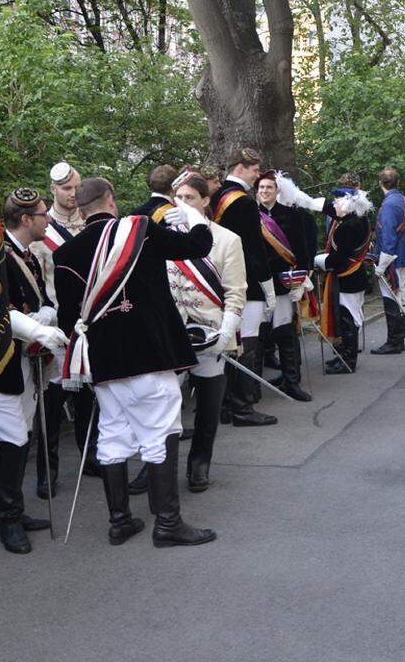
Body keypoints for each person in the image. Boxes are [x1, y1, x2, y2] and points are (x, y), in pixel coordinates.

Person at [54, 177, 217, 547]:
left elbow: (68, 320)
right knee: (162, 431)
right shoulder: (139, 230)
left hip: (104, 361)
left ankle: (120, 521)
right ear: (111, 200)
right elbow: (198, 245)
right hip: (150, 353)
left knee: (111, 435)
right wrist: (193, 214)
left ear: (79, 209)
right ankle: (168, 524)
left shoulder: (66, 254)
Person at [0, 189, 69, 554]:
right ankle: (9, 520)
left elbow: (42, 303)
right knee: (12, 442)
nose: (49, 220)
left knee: (19, 439)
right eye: (44, 215)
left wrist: (44, 317)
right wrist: (37, 326)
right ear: (27, 220)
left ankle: (2, 511)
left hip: (26, 362)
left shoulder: (28, 255)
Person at [165, 174, 247, 488]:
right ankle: (157, 465)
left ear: (205, 201)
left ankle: (199, 463)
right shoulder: (163, 237)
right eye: (179, 198)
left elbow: (235, 292)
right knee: (165, 406)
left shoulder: (227, 239)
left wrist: (226, 333)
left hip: (209, 336)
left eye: (190, 198)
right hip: (171, 334)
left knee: (208, 408)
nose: (183, 204)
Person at [30, 160, 99, 498]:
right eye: (66, 189)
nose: (73, 194)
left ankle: (92, 456)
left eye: (76, 187)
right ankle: (48, 471)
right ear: (53, 190)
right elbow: (36, 282)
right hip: (58, 327)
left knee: (90, 396)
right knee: (53, 404)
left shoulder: (93, 221)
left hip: (92, 321)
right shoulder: (43, 231)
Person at [211, 148, 277, 426]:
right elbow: (254, 249)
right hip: (245, 285)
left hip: (218, 281)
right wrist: (268, 286)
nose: (256, 176)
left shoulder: (214, 196)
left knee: (227, 345)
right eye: (253, 170)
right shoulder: (245, 203)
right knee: (246, 345)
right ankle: (243, 408)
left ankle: (225, 406)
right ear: (240, 168)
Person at [257, 170, 314, 401]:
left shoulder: (293, 215)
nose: (264, 192)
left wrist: (301, 279)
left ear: (277, 190)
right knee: (259, 337)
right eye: (260, 188)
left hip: (285, 283)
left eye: (269, 188)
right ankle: (252, 388)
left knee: (286, 332)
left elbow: (303, 249)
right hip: (259, 284)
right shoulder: (252, 215)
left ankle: (292, 382)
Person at [314, 188, 374, 374]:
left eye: (337, 201)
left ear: (348, 204)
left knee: (347, 318)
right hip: (353, 278)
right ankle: (342, 355)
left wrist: (318, 261)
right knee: (344, 316)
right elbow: (329, 209)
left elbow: (339, 258)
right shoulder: (356, 219)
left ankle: (348, 361)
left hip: (348, 278)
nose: (334, 205)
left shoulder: (349, 226)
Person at [370, 166, 405, 355]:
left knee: (392, 298)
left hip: (391, 260)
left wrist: (381, 265)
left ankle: (394, 342)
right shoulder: (403, 200)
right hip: (402, 255)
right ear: (398, 182)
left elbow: (388, 235)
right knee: (400, 297)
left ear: (381, 183)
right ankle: (398, 341)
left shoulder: (388, 204)